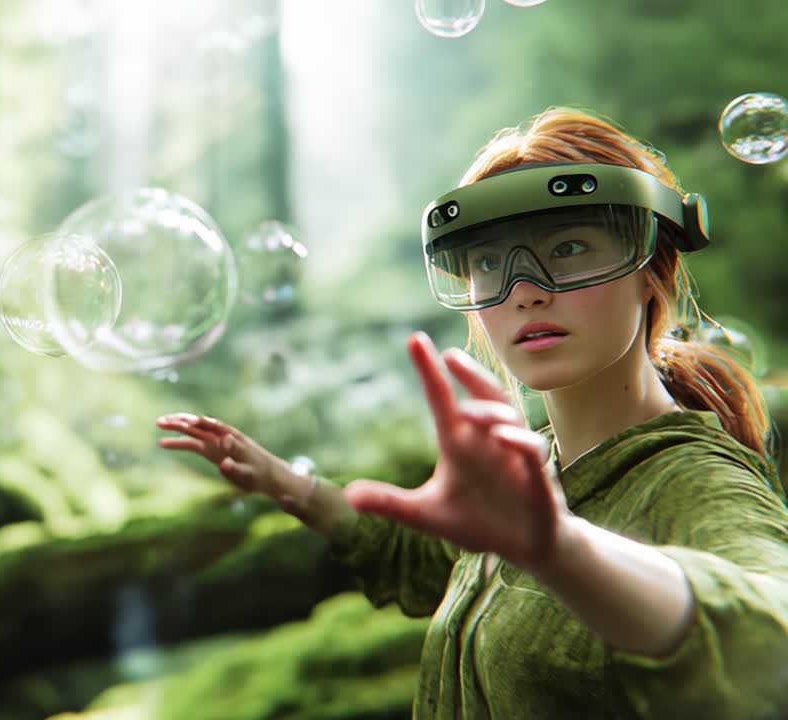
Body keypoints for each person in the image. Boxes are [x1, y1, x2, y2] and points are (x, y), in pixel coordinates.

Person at [156, 107, 788, 719]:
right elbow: (435, 560)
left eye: (568, 247)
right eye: (489, 262)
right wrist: (289, 485)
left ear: (651, 270)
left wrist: (565, 551)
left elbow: (770, 639)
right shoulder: (532, 465)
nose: (524, 290)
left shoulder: (697, 481)